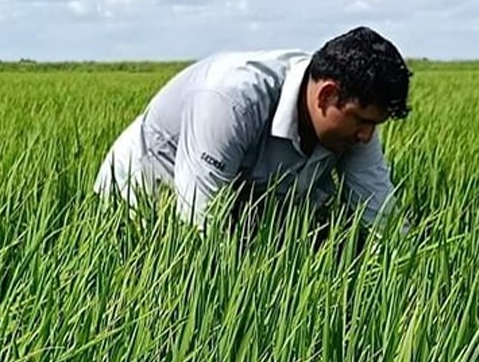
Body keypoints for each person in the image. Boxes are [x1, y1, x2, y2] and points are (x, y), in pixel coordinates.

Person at [93, 26, 412, 242]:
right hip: (147, 190)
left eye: (375, 125)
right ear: (326, 95)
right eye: (363, 122)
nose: (367, 137)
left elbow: (382, 215)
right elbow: (198, 225)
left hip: (242, 200)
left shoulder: (350, 127)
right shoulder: (231, 100)